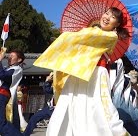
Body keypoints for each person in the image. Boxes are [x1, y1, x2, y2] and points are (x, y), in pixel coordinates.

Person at [34, 7, 130, 136]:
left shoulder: (111, 36)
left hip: (96, 75)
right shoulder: (91, 32)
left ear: (117, 24)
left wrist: (67, 37)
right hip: (79, 72)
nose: (107, 17)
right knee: (70, 104)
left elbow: (83, 38)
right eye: (106, 13)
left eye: (112, 17)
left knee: (98, 107)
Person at [0, 48, 25, 136]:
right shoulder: (7, 68)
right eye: (9, 56)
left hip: (2, 94)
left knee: (1, 123)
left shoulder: (17, 69)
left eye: (12, 56)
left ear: (19, 59)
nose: (9, 58)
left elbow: (3, 76)